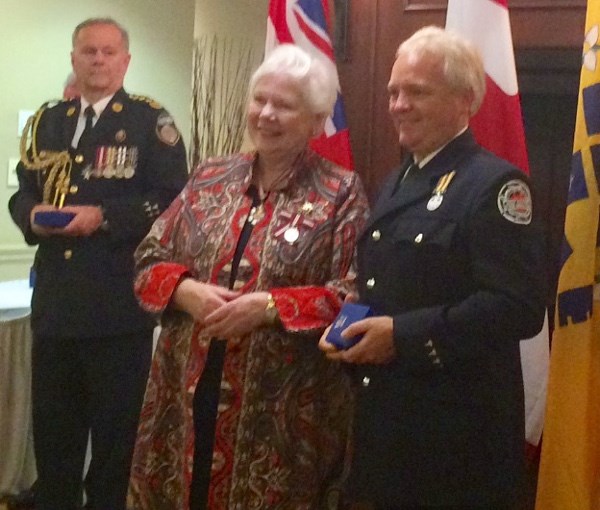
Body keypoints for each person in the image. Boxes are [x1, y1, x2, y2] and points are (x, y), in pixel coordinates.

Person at [126, 44, 369, 510]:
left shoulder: (340, 192)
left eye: (284, 105)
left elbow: (353, 296)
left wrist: (269, 308)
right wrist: (184, 290)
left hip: (278, 415)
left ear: (317, 121)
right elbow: (147, 259)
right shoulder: (209, 176)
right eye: (260, 99)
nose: (267, 113)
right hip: (185, 399)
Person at [319, 26, 547, 510]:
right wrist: (348, 326)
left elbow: (517, 307)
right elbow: (389, 281)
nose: (398, 104)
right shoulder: (400, 178)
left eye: (416, 92)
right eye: (394, 92)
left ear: (465, 101)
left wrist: (400, 335)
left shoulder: (496, 186)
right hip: (391, 423)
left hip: (457, 438)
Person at [9, 17, 188, 510]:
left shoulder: (152, 124)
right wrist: (34, 218)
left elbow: (173, 201)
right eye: (88, 51)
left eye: (109, 52)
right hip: (56, 309)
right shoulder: (49, 121)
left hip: (116, 311)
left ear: (125, 61)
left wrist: (104, 217)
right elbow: (22, 193)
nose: (98, 60)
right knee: (55, 438)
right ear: (73, 59)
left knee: (114, 445)